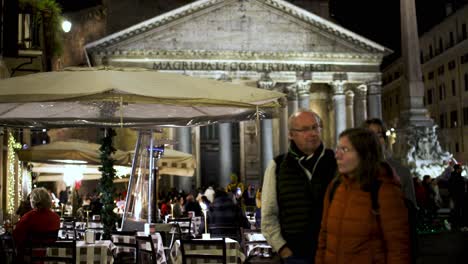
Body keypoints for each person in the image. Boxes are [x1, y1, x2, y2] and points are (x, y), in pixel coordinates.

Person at [315, 128, 410, 264]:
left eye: (345, 150)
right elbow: (323, 237)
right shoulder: (334, 188)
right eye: (338, 149)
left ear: (364, 154)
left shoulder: (384, 190)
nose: (337, 155)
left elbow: (398, 248)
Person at [262, 110, 337, 264]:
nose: (313, 133)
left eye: (315, 127)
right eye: (304, 130)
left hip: (333, 252)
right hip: (295, 255)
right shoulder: (277, 165)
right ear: (291, 135)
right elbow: (269, 215)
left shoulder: (336, 161)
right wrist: (283, 249)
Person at [364, 118, 418, 209]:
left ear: (385, 140)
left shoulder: (402, 171)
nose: (375, 140)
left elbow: (411, 210)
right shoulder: (353, 172)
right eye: (370, 135)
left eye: (379, 135)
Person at [13, 187, 61, 261]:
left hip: (29, 257)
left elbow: (17, 237)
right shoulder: (56, 218)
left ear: (33, 201)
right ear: (48, 200)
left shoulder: (28, 217)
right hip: (49, 257)